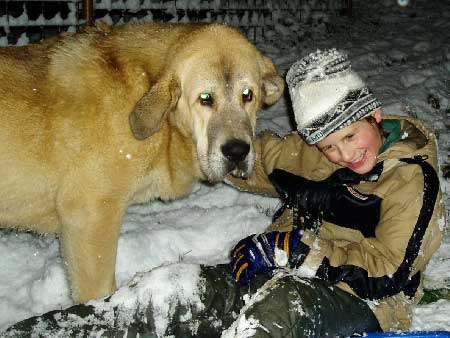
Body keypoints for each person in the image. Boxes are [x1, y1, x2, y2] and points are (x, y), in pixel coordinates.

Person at [3, 49, 444, 338]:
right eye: (328, 145)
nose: (344, 155)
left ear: (375, 115)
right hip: (281, 270)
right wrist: (195, 145)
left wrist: (293, 251)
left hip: (365, 301)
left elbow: (390, 269)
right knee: (179, 292)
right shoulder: (313, 158)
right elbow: (254, 158)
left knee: (275, 313)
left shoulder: (410, 180)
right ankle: (51, 332)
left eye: (350, 136)